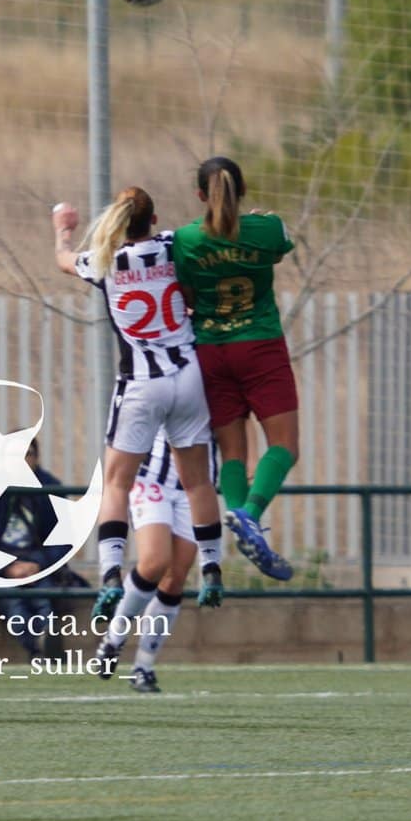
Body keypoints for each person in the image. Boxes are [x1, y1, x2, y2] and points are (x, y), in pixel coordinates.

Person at [53, 190, 225, 624]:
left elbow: (64, 260)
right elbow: (210, 234)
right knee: (198, 482)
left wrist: (62, 232)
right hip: (187, 376)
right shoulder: (172, 244)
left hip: (141, 383)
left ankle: (111, 574)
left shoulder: (104, 260)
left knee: (117, 481)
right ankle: (211, 567)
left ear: (116, 218)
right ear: (155, 218)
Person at [171, 156, 299, 581]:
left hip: (211, 349)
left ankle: (244, 522)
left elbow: (186, 289)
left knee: (233, 452)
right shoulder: (267, 229)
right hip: (259, 345)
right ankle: (249, 514)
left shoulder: (186, 239)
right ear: (241, 190)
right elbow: (282, 246)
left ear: (200, 195)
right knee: (283, 445)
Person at [93, 429, 226, 692]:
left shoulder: (219, 387)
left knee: (175, 578)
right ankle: (114, 637)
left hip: (198, 484)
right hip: (153, 476)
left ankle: (144, 666)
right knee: (155, 562)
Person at [0, 436, 72, 661]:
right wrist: (7, 567)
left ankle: (47, 649)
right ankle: (41, 651)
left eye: (27, 454)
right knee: (14, 603)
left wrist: (37, 564)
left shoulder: (51, 488)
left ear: (36, 458)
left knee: (44, 600)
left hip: (38, 566)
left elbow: (65, 539)